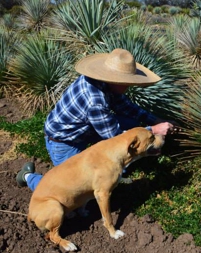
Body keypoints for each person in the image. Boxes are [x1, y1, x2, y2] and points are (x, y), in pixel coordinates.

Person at [16, 48, 177, 191]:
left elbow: (126, 107)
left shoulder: (105, 83)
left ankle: (115, 175)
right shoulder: (95, 100)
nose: (129, 86)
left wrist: (155, 119)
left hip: (86, 129)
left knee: (131, 124)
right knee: (72, 186)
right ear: (113, 79)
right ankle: (28, 177)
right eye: (126, 82)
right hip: (63, 141)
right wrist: (153, 132)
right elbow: (116, 137)